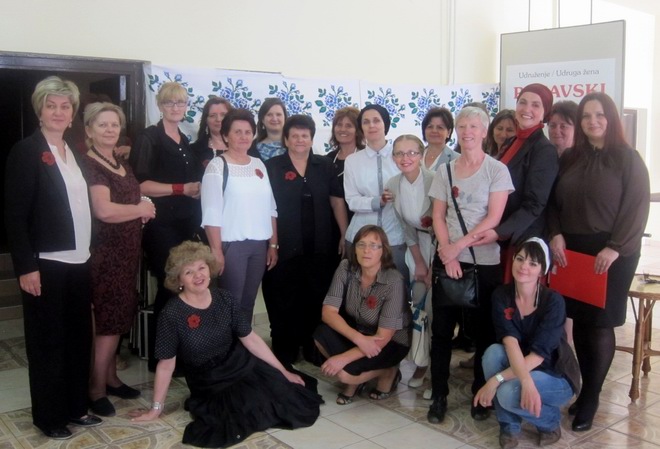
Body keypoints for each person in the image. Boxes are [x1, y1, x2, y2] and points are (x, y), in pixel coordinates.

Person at [130, 241, 322, 448]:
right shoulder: (171, 313)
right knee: (242, 409)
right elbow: (166, 365)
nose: (198, 275)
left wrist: (283, 372)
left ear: (210, 269)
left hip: (240, 364)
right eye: (189, 272)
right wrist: (156, 408)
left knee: (283, 394)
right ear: (179, 280)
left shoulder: (224, 298)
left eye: (202, 267)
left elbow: (251, 339)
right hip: (210, 380)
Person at [4, 76, 102, 439]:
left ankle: (77, 407)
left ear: (73, 113)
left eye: (65, 106)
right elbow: (15, 215)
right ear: (40, 111)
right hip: (45, 262)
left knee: (78, 338)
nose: (59, 112)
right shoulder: (26, 151)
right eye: (51, 106)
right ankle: (49, 416)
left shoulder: (72, 152)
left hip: (79, 260)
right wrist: (26, 266)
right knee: (48, 342)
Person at [548, 92, 650, 432]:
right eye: (587, 116)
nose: (593, 121)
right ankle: (585, 390)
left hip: (612, 253)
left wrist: (615, 247)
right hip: (573, 250)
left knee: (601, 325)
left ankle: (591, 397)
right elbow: (552, 203)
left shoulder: (628, 158)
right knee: (581, 320)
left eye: (599, 114)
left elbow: (636, 208)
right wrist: (556, 234)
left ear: (611, 118)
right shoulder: (570, 157)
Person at [427, 106, 513, 424]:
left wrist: (457, 247)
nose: (467, 132)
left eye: (474, 126)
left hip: (483, 261)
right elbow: (438, 215)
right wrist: (448, 254)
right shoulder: (445, 170)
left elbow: (494, 218)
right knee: (441, 332)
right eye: (462, 126)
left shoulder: (496, 170)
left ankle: (480, 394)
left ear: (484, 131)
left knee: (483, 334)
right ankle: (439, 395)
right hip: (447, 260)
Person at [83, 102, 157, 417]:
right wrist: (139, 210)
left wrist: (143, 203)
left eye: (114, 124)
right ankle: (96, 389)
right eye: (102, 124)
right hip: (106, 255)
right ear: (89, 130)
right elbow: (103, 210)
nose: (110, 129)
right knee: (108, 323)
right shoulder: (91, 165)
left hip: (126, 254)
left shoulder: (117, 160)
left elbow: (132, 195)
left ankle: (111, 378)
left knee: (117, 319)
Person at [474, 238, 579, 449]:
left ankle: (550, 423)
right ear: (513, 260)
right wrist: (523, 379)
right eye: (520, 259)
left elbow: (539, 356)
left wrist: (497, 381)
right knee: (493, 353)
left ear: (542, 270)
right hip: (522, 366)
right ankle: (509, 426)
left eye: (533, 263)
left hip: (555, 374)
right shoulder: (502, 295)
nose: (524, 266)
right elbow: (510, 343)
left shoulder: (553, 301)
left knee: (507, 392)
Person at [129, 81, 203, 370]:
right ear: (160, 105)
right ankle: (161, 357)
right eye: (170, 102)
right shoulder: (149, 137)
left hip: (185, 225)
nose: (175, 107)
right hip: (161, 225)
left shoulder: (184, 139)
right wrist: (180, 189)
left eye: (180, 102)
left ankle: (178, 353)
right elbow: (139, 184)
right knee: (170, 285)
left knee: (183, 287)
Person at [263, 114, 348, 365]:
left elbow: (337, 202)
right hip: (285, 246)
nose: (300, 140)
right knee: (284, 297)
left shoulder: (325, 165)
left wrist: (344, 233)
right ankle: (285, 347)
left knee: (316, 295)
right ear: (286, 140)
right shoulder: (273, 167)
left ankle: (313, 346)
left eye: (305, 135)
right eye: (295, 136)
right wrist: (272, 243)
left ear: (311, 139)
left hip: (321, 245)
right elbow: (267, 208)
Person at [313, 225, 411, 404]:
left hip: (390, 342)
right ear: (355, 248)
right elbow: (328, 312)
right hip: (360, 333)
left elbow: (383, 337)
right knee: (321, 334)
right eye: (361, 244)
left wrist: (342, 359)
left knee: (344, 374)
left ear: (383, 251)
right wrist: (359, 339)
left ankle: (388, 372)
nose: (366, 250)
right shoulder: (346, 267)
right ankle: (357, 374)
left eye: (374, 245)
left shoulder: (393, 281)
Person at [472, 83, 559, 285]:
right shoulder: (512, 142)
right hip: (498, 233)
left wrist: (499, 231)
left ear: (545, 112)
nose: (527, 109)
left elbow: (535, 204)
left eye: (535, 105)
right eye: (523, 102)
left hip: (520, 239)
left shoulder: (544, 150)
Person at [201, 108, 278, 320]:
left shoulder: (258, 164)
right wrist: (216, 251)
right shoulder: (217, 166)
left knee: (248, 302)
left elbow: (270, 207)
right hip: (231, 246)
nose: (244, 136)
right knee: (230, 302)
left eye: (248, 132)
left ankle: (243, 341)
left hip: (259, 245)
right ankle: (227, 342)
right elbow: (211, 213)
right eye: (237, 132)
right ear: (226, 136)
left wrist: (273, 244)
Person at [385, 134, 435, 387]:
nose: (405, 158)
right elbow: (406, 226)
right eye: (399, 153)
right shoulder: (393, 184)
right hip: (416, 249)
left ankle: (438, 367)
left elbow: (444, 224)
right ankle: (421, 362)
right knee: (419, 306)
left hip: (440, 247)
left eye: (411, 152)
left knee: (437, 309)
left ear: (421, 155)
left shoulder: (435, 180)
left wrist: (433, 265)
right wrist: (420, 264)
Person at [344, 104, 407, 279]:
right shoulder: (352, 161)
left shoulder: (401, 156)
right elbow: (352, 200)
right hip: (360, 237)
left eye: (376, 121)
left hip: (395, 238)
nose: (371, 125)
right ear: (361, 127)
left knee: (396, 288)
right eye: (366, 122)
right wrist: (377, 201)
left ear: (385, 124)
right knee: (360, 289)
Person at [326, 106, 364, 264]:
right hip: (332, 226)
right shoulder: (327, 159)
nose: (342, 129)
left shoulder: (365, 157)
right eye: (339, 125)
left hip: (360, 223)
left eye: (349, 125)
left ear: (358, 130)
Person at [191, 96, 233, 165]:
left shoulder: (243, 146)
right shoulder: (194, 150)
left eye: (223, 115)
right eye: (212, 115)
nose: (218, 119)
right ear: (206, 120)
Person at [420, 107, 459, 171]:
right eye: (430, 127)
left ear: (448, 132)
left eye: (440, 127)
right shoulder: (414, 156)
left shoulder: (456, 159)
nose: (434, 131)